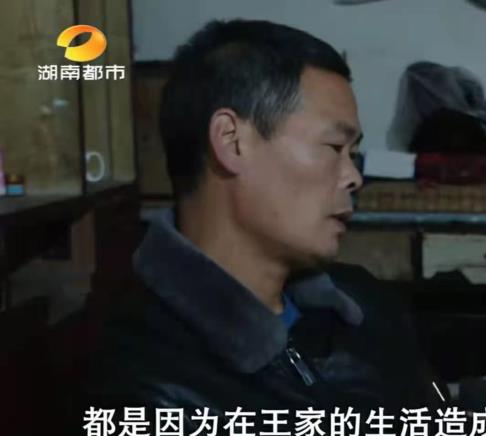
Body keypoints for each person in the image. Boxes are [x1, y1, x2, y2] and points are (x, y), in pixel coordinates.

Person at [77, 18, 446, 433]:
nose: (353, 177)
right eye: (333, 147)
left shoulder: (361, 303)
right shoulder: (148, 391)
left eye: (353, 153)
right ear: (232, 142)